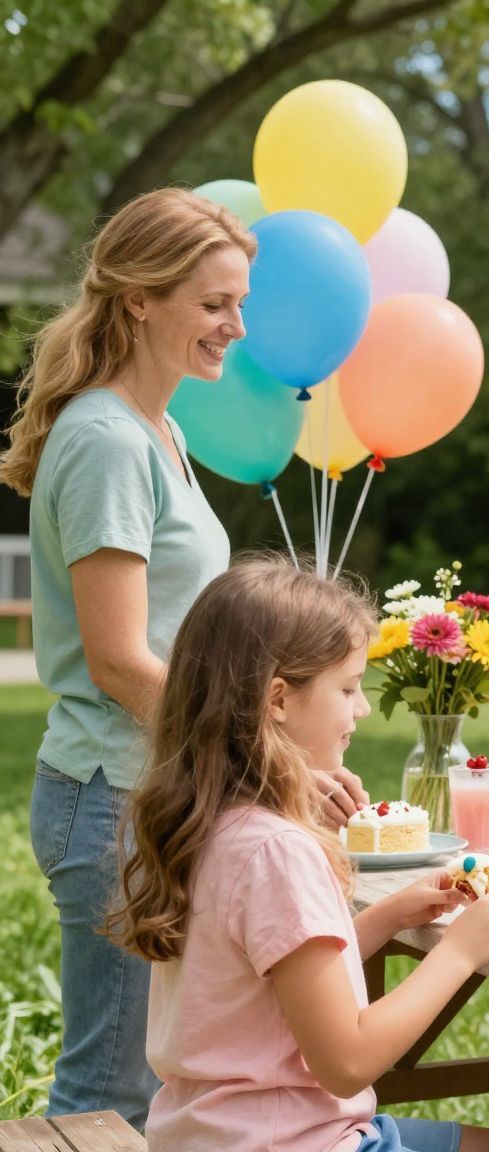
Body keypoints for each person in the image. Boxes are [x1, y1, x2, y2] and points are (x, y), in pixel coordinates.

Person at [2, 188, 370, 1127]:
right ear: (139, 300)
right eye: (214, 304)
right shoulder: (108, 441)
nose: (236, 327)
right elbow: (122, 660)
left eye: (239, 303)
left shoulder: (157, 430)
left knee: (152, 1083)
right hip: (114, 795)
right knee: (106, 1095)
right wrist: (270, 756)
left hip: (149, 788)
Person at [107, 559, 489, 1152]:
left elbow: (269, 983)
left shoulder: (207, 823)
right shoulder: (277, 852)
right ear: (279, 700)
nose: (361, 708)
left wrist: (386, 916)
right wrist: (461, 951)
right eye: (347, 687)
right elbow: (347, 1060)